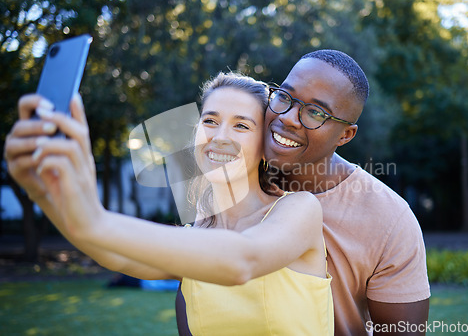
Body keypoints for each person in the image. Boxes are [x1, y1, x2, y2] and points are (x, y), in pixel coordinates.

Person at [4, 72, 334, 335]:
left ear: (264, 145)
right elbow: (111, 252)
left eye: (241, 125)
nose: (219, 136)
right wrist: (46, 195)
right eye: (210, 121)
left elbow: (242, 260)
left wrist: (95, 217)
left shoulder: (299, 210)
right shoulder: (195, 237)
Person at [173, 50, 431, 335]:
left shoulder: (389, 219)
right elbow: (194, 298)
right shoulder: (229, 184)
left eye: (316, 112)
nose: (291, 118)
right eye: (285, 96)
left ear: (345, 136)